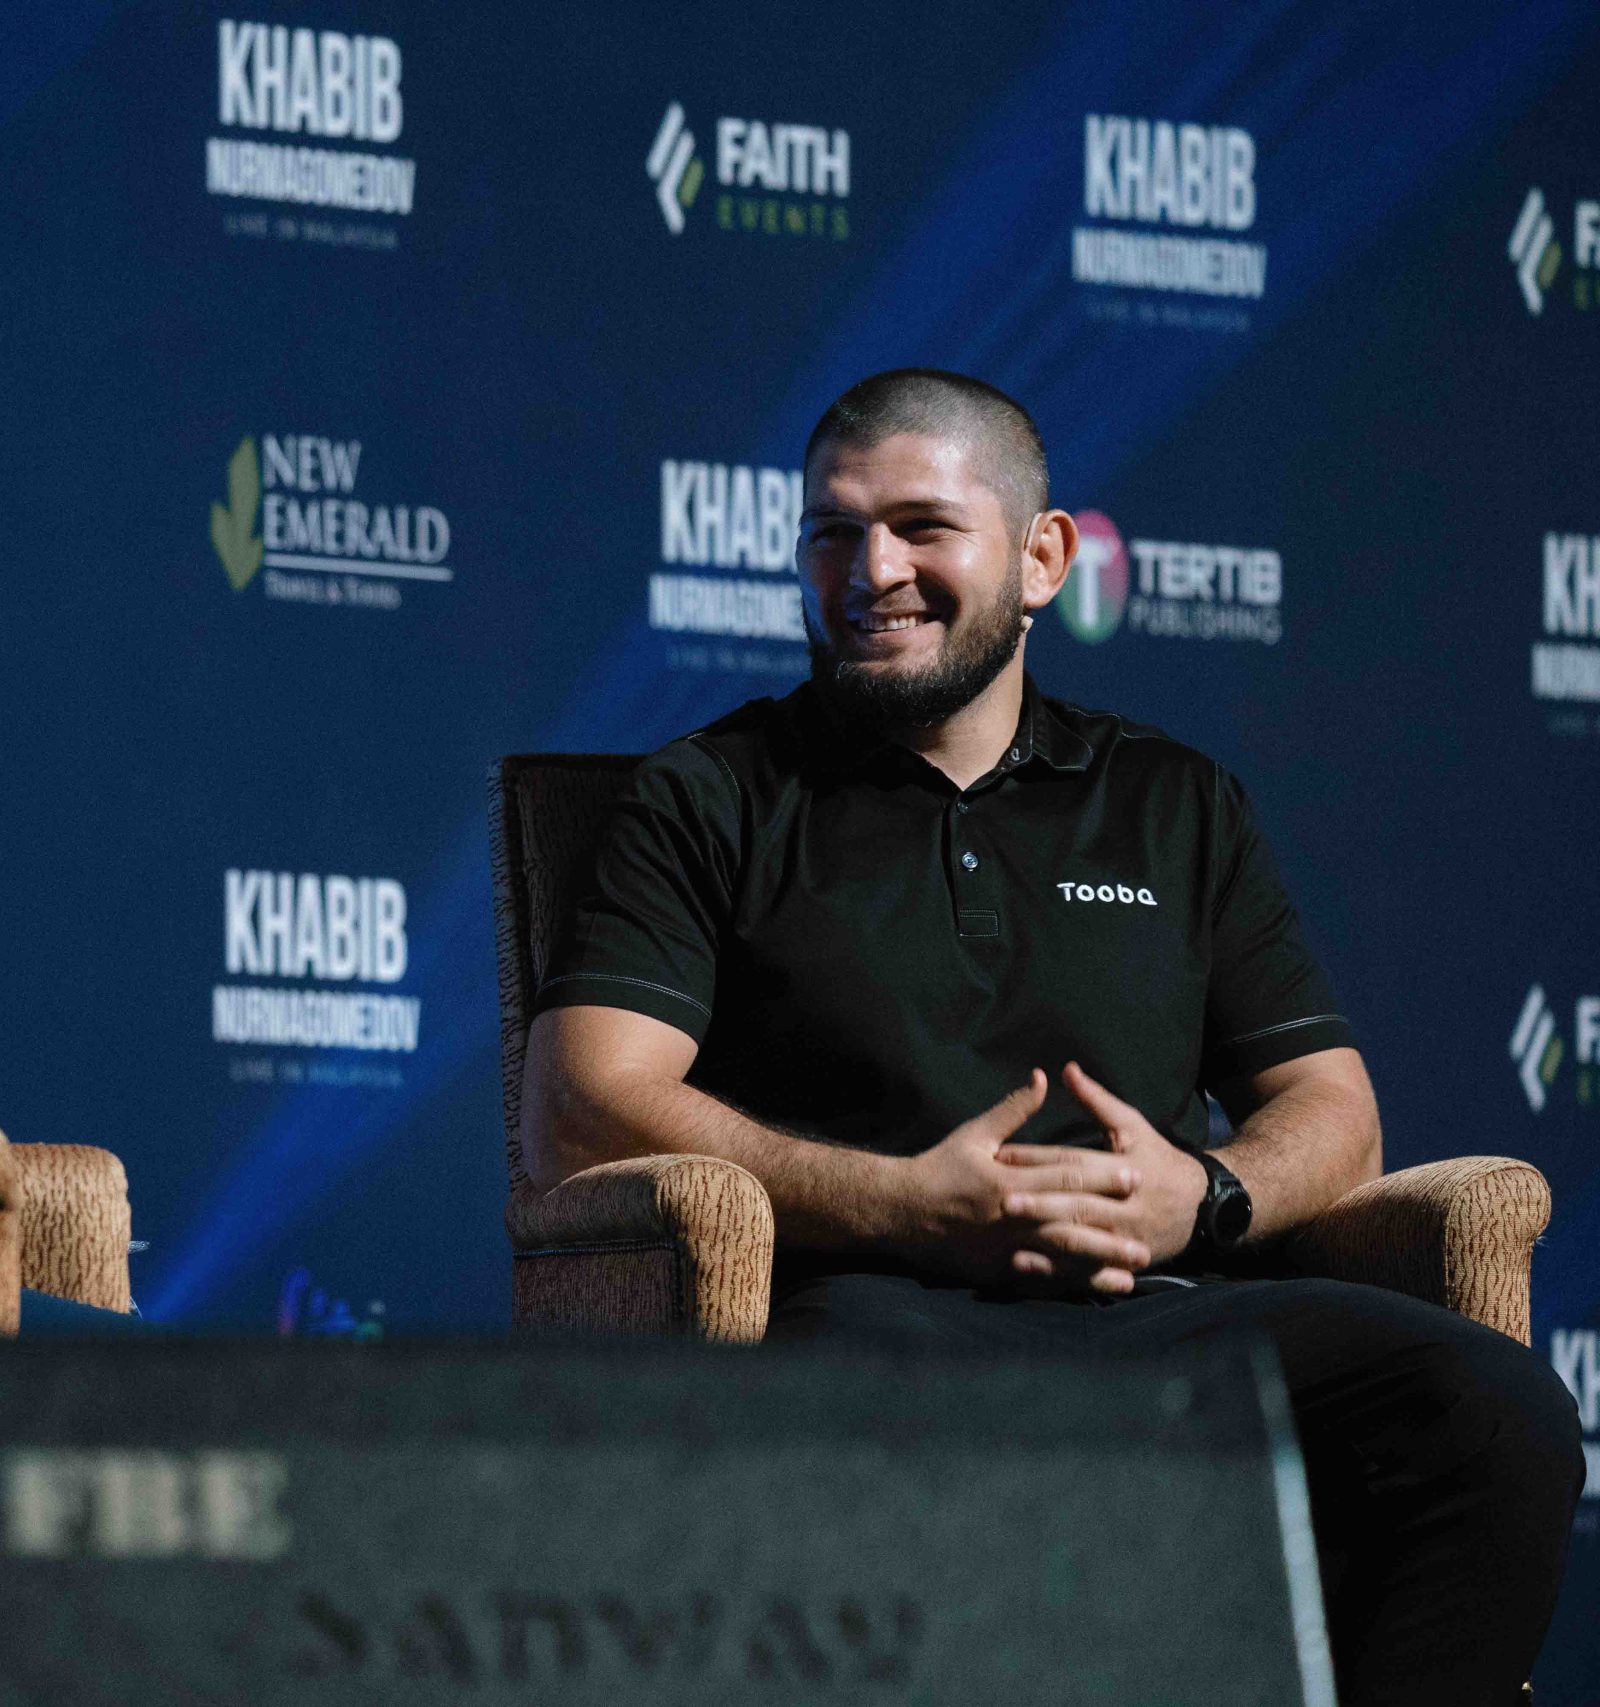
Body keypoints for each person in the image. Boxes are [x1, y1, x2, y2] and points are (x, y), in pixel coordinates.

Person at [523, 368, 1583, 1706]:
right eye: (831, 533)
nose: (870, 570)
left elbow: (1335, 1104)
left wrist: (1203, 1195)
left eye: (919, 526)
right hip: (863, 1321)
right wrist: (904, 1203)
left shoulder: (1172, 800)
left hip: (1159, 1314)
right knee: (845, 1438)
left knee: (1497, 1413)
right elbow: (586, 1100)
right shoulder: (711, 793)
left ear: (1042, 557)